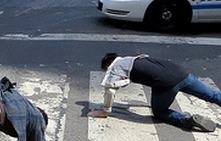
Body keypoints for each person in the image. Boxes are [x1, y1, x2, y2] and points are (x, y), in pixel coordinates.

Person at [88, 53, 220, 132]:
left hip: (166, 84)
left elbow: (110, 90)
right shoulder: (135, 58)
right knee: (212, 95)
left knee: (159, 112)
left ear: (107, 65)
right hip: (182, 74)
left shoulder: (114, 68)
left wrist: (105, 111)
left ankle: (186, 120)